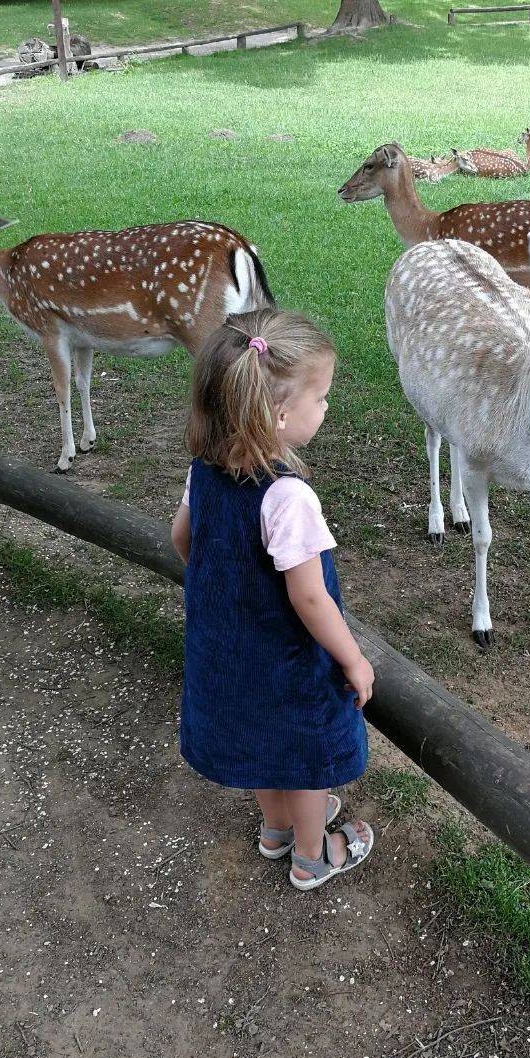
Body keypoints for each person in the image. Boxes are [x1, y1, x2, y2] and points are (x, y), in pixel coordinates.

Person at [171, 309, 375, 893]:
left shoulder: (204, 470)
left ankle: (275, 828)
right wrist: (353, 659)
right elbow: (309, 598)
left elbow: (181, 540)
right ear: (281, 414)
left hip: (230, 650)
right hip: (286, 656)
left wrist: (224, 593)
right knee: (306, 748)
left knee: (259, 737)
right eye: (322, 398)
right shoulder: (288, 497)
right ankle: (314, 854)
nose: (327, 408)